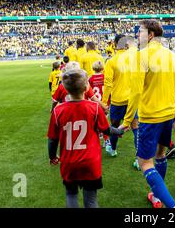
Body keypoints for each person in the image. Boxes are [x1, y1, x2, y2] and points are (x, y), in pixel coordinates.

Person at [120, 19, 175, 209]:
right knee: (160, 155)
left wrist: (127, 121)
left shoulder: (141, 55)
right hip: (168, 115)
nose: (137, 35)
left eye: (140, 32)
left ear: (150, 35)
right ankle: (156, 195)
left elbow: (135, 92)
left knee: (144, 162)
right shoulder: (171, 55)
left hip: (150, 117)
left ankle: (173, 206)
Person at [47, 68, 124, 208]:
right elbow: (106, 129)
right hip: (90, 162)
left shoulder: (57, 111)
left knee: (71, 195)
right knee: (91, 200)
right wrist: (119, 131)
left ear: (65, 87)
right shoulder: (94, 108)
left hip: (69, 162)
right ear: (86, 87)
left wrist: (52, 157)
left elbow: (52, 139)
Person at [102, 34, 139, 165]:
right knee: (136, 127)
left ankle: (113, 149)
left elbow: (107, 84)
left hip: (117, 100)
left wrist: (103, 102)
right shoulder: (135, 58)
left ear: (115, 44)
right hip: (132, 100)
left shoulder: (111, 61)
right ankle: (138, 158)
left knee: (114, 126)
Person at [88, 61, 110, 148]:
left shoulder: (90, 79)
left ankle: (98, 137)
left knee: (95, 121)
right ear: (102, 68)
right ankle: (106, 140)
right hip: (105, 102)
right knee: (105, 121)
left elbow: (88, 91)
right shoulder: (105, 77)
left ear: (93, 68)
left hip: (95, 103)